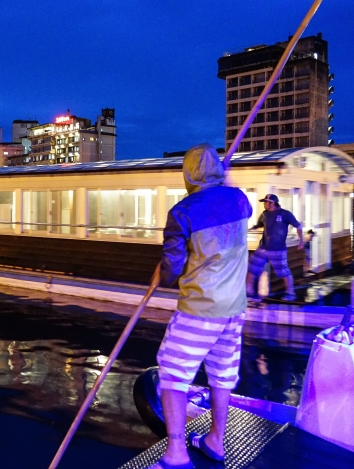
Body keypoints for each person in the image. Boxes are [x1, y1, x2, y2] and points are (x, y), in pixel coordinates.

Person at [151, 144, 252, 469]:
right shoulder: (239, 199)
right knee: (222, 374)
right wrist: (225, 182)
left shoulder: (182, 212)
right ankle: (215, 441)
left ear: (187, 173)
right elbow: (235, 209)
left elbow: (171, 271)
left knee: (173, 374)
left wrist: (161, 269)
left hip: (200, 308)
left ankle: (177, 455)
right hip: (235, 308)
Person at [246, 194, 303, 301]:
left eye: (265, 202)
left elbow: (298, 226)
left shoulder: (285, 214)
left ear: (272, 203)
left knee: (283, 272)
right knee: (252, 268)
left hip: (278, 250)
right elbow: (259, 225)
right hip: (263, 248)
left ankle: (290, 293)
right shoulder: (264, 214)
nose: (264, 204)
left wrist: (301, 240)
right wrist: (249, 229)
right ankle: (249, 291)